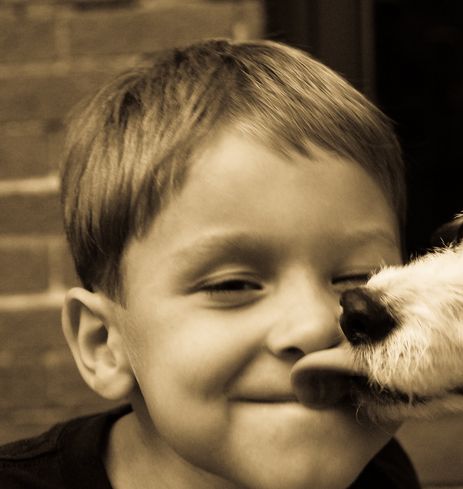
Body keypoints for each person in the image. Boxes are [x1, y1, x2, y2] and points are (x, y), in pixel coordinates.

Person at [0, 39, 419, 489]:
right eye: (234, 285)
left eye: (357, 281)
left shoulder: (382, 473)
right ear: (104, 342)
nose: (316, 325)